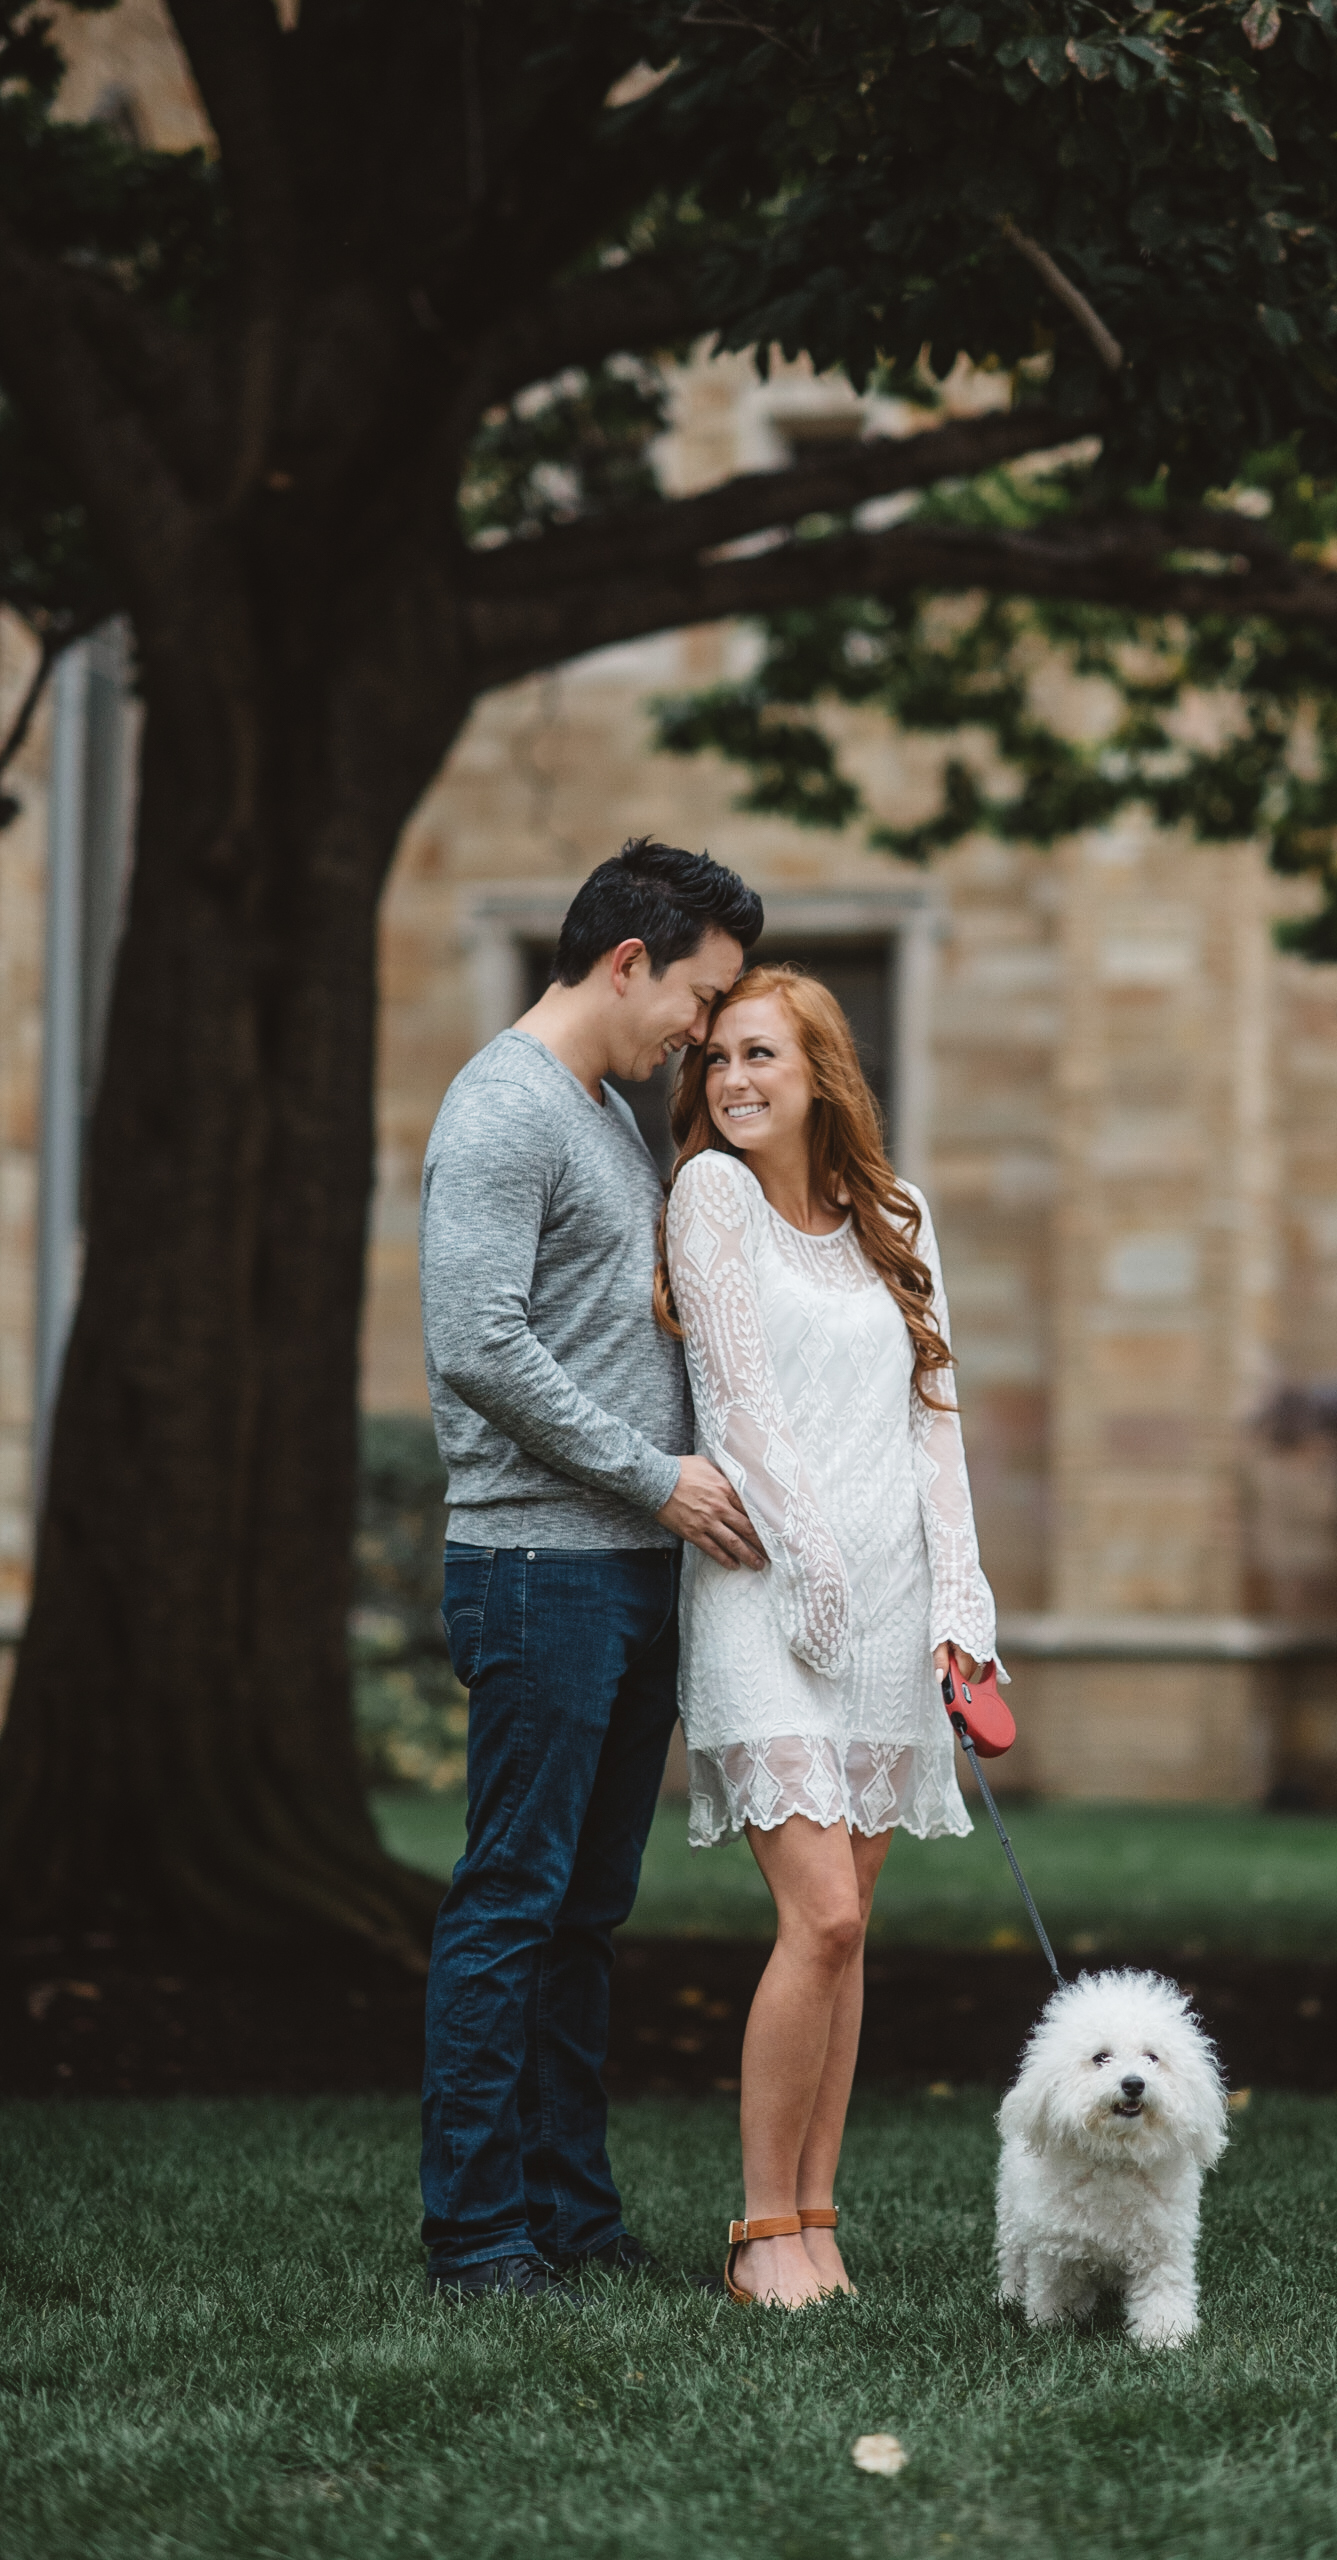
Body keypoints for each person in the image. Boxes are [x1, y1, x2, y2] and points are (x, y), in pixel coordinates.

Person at [417, 837, 765, 2301]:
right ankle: (478, 2235)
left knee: (583, 1914)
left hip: (631, 1571)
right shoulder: (505, 1110)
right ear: (628, 962)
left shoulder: (606, 1117)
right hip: (539, 1569)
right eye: (700, 995)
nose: (701, 1030)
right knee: (511, 1902)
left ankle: (570, 2213)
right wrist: (656, 1477)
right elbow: (478, 1343)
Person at [658, 964, 1001, 2309]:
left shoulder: (895, 1214)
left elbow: (936, 1421)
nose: (733, 1083)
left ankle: (816, 2218)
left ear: (818, 1075)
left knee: (850, 1929)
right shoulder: (710, 1196)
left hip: (891, 1613)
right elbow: (734, 1404)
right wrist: (806, 1575)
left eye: (760, 1058)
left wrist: (962, 1610)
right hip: (765, 1599)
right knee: (820, 1916)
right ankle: (757, 2238)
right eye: (717, 1061)